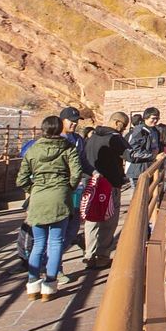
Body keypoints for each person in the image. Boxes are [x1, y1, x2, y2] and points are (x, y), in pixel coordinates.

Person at [18, 115, 83, 301]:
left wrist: (34, 189)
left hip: (38, 198)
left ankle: (32, 285)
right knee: (55, 243)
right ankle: (50, 285)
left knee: (38, 243)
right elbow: (76, 172)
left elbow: (21, 179)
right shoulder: (68, 148)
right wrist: (67, 188)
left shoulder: (33, 148)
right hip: (60, 198)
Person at [83, 111, 131, 268]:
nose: (123, 130)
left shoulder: (93, 136)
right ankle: (103, 255)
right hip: (110, 184)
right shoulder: (114, 138)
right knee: (109, 220)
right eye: (123, 127)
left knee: (92, 219)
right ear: (118, 124)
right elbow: (130, 155)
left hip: (91, 182)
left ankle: (89, 255)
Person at [59, 107, 90, 250]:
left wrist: (94, 172)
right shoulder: (54, 139)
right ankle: (50, 265)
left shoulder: (78, 140)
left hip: (76, 189)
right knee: (58, 229)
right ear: (62, 120)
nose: (74, 124)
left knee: (73, 226)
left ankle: (53, 261)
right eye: (71, 121)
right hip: (58, 189)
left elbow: (83, 161)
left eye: (76, 121)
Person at [125, 112, 160, 180]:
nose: (155, 120)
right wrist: (153, 156)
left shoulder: (155, 130)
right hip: (138, 170)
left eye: (157, 118)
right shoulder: (140, 130)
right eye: (153, 118)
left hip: (149, 168)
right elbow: (134, 151)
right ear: (145, 118)